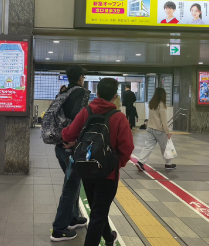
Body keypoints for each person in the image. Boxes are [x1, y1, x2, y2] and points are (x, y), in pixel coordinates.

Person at [61, 78, 134, 246]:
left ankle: (109, 238)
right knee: (98, 214)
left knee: (97, 210)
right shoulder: (119, 117)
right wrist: (116, 164)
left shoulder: (87, 111)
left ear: (98, 93)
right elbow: (127, 147)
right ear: (115, 96)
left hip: (87, 169)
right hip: (108, 174)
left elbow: (68, 134)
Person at [50, 65, 89, 242]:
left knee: (72, 181)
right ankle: (58, 229)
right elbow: (78, 117)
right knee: (71, 186)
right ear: (81, 77)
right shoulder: (81, 92)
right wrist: (77, 140)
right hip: (71, 145)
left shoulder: (63, 92)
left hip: (60, 144)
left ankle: (73, 217)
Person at [136, 88, 176, 171]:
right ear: (162, 94)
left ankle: (140, 162)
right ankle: (168, 164)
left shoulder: (152, 103)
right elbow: (164, 121)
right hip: (159, 130)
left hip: (150, 128)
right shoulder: (162, 105)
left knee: (147, 146)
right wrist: (168, 132)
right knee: (165, 147)